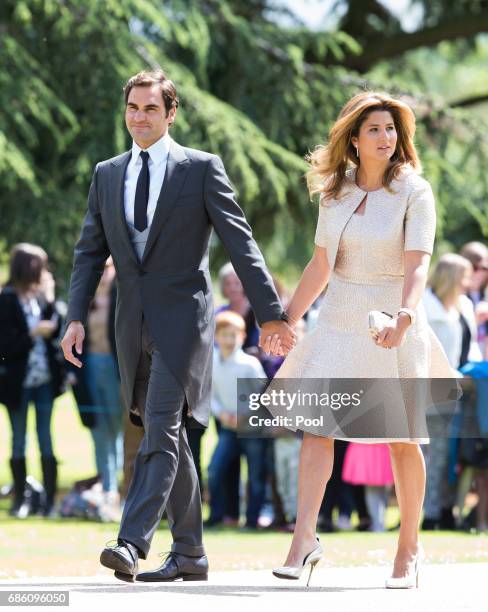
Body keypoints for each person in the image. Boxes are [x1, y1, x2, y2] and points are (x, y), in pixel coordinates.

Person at [61, 69, 296, 583]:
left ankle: (130, 540)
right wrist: (75, 316)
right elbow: (87, 253)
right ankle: (190, 553)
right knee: (169, 436)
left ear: (171, 114)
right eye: (132, 108)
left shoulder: (201, 169)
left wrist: (272, 313)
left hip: (185, 323)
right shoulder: (107, 173)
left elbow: (241, 244)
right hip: (129, 324)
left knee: (164, 423)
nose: (139, 117)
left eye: (150, 108)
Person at [263, 91, 456, 589]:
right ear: (353, 137)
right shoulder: (336, 192)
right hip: (339, 321)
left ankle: (408, 550)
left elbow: (418, 266)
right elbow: (321, 266)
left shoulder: (416, 191)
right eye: (374, 128)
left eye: (391, 129)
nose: (385, 137)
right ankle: (303, 540)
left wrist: (406, 316)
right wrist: (286, 319)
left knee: (401, 438)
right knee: (317, 429)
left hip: (395, 323)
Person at [0, 244, 65, 518]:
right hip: (17, 382)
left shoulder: (41, 298)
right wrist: (32, 333)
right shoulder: (6, 298)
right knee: (18, 439)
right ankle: (21, 499)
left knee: (46, 438)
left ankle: (49, 501)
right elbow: (5, 346)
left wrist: (50, 303)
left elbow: (56, 332)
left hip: (44, 380)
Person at [207, 311, 268, 528]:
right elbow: (209, 395)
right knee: (215, 470)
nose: (229, 340)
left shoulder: (249, 364)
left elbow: (263, 394)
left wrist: (245, 414)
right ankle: (216, 516)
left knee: (255, 476)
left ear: (242, 336)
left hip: (251, 429)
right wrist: (222, 414)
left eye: (234, 335)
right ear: (216, 336)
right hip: (228, 428)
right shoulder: (211, 362)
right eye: (224, 335)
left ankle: (252, 520)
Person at [85, 257, 124, 522]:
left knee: (116, 427)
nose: (103, 273)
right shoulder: (85, 297)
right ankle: (107, 485)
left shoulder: (121, 295)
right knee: (98, 428)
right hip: (90, 366)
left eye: (108, 268)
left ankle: (115, 487)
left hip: (115, 367)